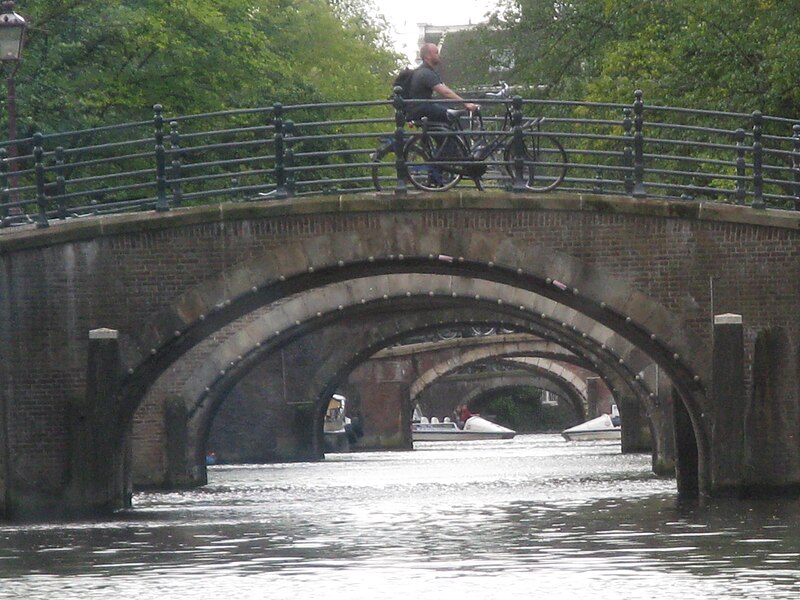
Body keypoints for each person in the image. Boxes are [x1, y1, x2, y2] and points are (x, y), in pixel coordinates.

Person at [407, 42, 479, 124]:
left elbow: (445, 88)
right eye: (436, 53)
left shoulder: (426, 71)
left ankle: (448, 135)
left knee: (447, 117)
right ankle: (451, 136)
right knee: (449, 115)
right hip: (421, 109)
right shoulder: (425, 73)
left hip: (420, 108)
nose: (439, 55)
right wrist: (466, 104)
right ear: (427, 56)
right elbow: (445, 92)